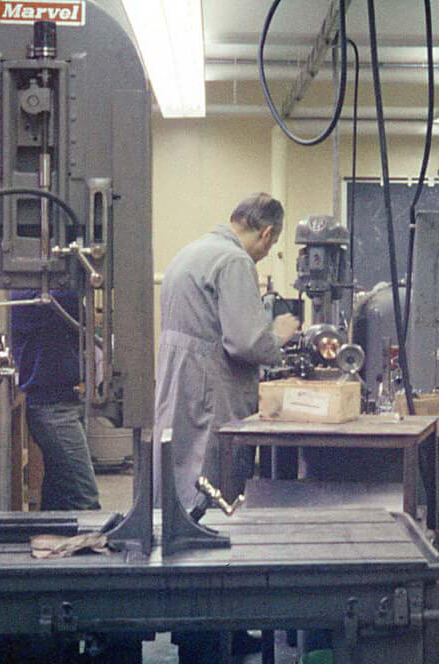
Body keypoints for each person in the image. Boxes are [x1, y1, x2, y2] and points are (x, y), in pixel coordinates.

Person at [153, 193, 300, 663]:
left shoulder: (190, 252)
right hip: (211, 394)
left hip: (181, 387)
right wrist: (281, 333)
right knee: (215, 499)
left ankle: (199, 629)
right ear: (267, 234)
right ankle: (211, 636)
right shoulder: (234, 261)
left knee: (182, 499)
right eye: (268, 247)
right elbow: (245, 341)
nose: (264, 254)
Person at [11, 289, 101, 511]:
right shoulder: (39, 295)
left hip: (64, 401)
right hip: (53, 409)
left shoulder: (45, 293)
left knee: (60, 495)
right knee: (85, 499)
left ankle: (52, 539)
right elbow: (76, 309)